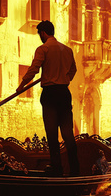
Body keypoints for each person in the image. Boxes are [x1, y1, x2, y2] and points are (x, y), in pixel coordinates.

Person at [17, 20, 80, 176]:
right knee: (67, 133)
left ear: (43, 33)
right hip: (64, 93)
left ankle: (57, 169)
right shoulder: (67, 50)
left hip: (50, 94)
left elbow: (34, 70)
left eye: (40, 34)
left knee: (51, 133)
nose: (40, 37)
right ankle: (75, 170)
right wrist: (64, 79)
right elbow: (73, 70)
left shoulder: (43, 49)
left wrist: (21, 86)